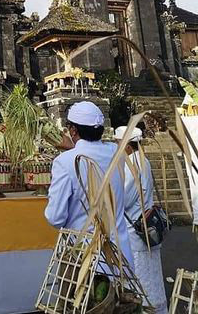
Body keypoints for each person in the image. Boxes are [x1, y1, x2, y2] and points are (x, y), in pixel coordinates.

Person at [45, 101, 133, 268]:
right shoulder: (117, 153)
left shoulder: (64, 162)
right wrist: (73, 147)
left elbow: (55, 217)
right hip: (120, 256)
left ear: (73, 130)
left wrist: (71, 149)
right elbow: (95, 154)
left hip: (85, 259)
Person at [114, 126, 168, 314]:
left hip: (135, 234)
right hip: (148, 230)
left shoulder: (130, 165)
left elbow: (124, 201)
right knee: (153, 279)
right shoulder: (143, 160)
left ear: (126, 145)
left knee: (141, 283)